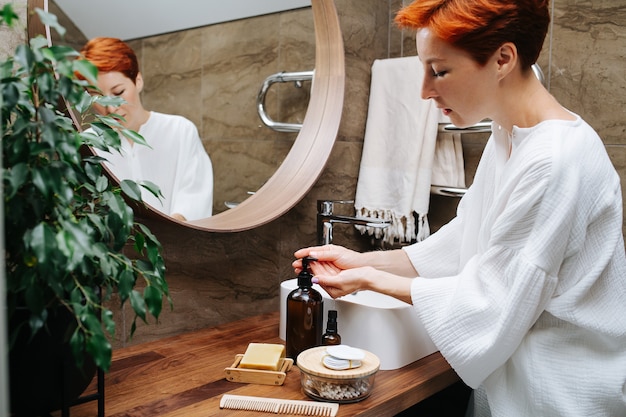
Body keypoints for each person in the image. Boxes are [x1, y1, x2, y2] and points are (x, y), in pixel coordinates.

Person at [293, 1, 626, 416]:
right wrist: (361, 260)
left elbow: (493, 299)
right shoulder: (510, 137)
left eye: (440, 71)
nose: (424, 91)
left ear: (503, 59)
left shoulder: (555, 160)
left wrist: (371, 280)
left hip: (557, 396)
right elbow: (464, 241)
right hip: (516, 388)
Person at [80, 37, 214, 221]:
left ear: (138, 81)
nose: (111, 108)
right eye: (98, 97)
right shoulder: (88, 143)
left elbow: (195, 200)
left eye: (118, 93)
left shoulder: (180, 131)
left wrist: (167, 240)